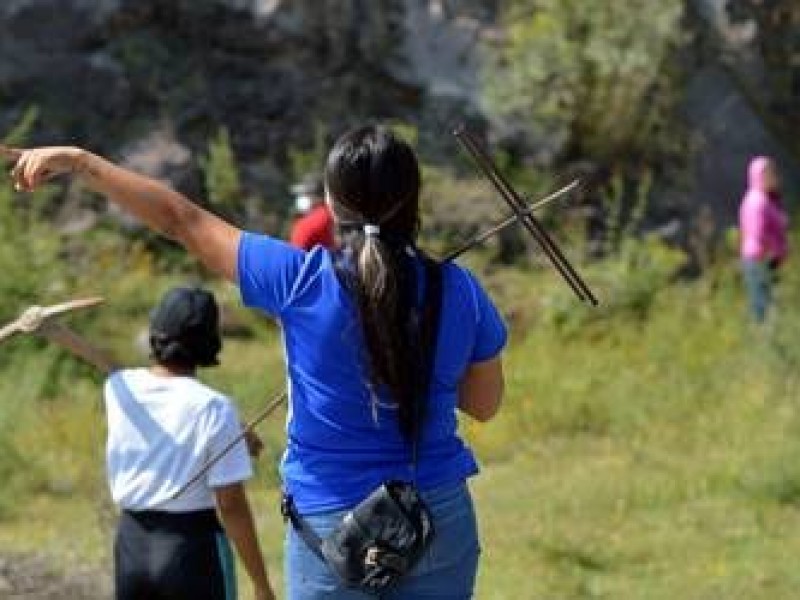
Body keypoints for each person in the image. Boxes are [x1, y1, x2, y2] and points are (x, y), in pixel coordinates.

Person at [3, 123, 507, 599]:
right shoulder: (459, 290)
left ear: (330, 201)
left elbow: (183, 220)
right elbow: (483, 404)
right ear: (413, 196)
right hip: (436, 515)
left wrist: (81, 162)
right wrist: (412, 364)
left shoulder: (297, 280)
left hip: (333, 524)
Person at [23, 286, 276, 600]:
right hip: (192, 551)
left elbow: (113, 367)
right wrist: (262, 585)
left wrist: (54, 332)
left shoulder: (119, 388)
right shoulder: (215, 408)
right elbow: (231, 505)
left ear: (155, 334)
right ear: (210, 342)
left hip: (132, 548)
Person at [738, 155, 789, 323]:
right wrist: (773, 251)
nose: (773, 176)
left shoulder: (766, 199)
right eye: (769, 173)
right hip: (761, 259)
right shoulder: (757, 201)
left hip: (765, 259)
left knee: (768, 302)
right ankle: (764, 342)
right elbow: (759, 233)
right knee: (763, 305)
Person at [288, 173, 335, 250]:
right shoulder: (333, 215)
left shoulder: (306, 223)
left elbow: (295, 255)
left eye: (303, 194)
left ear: (314, 196)